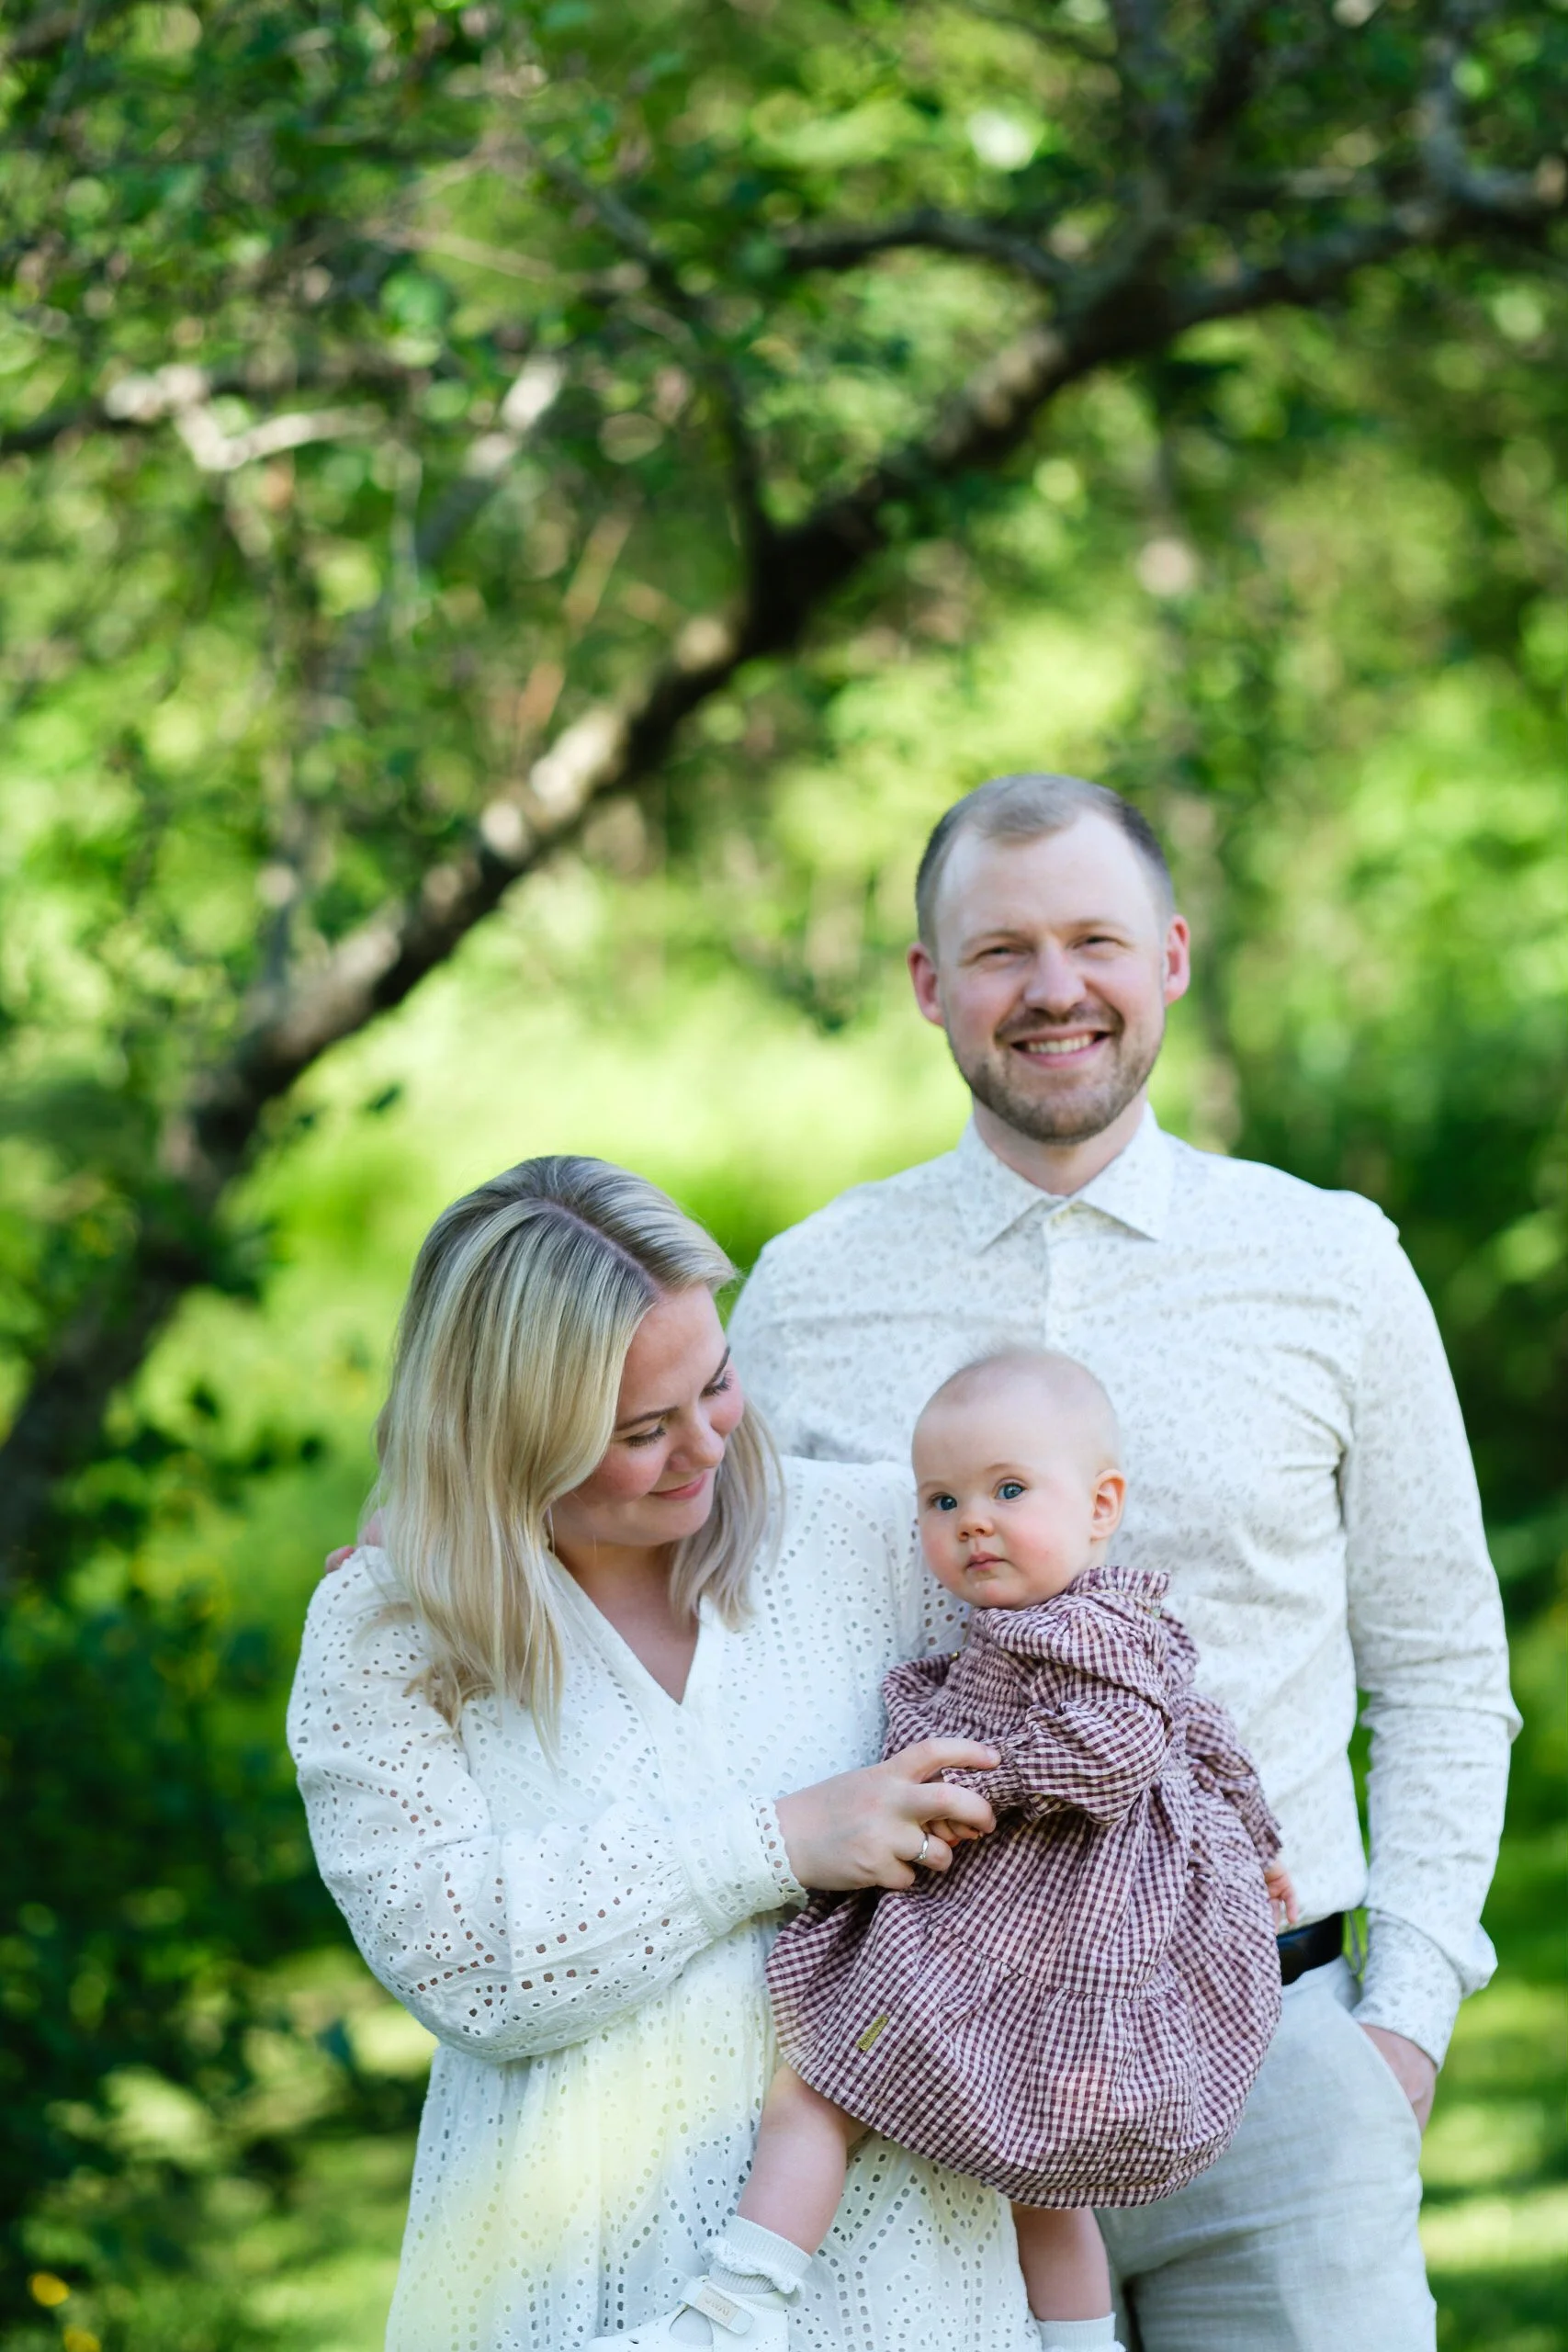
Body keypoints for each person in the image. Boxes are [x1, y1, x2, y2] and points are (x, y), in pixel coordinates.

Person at [726, 772, 1519, 2352]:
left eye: (1092, 940)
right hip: (929, 2083)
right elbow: (683, 1595)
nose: (1053, 989)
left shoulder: (1330, 1262)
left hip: (1280, 2070)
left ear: (1167, 957)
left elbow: (1439, 1667)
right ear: (927, 983)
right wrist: (461, 1532)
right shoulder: (808, 1290)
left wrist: (1403, 2028)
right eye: (1000, 950)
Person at [290, 1155, 1043, 2352]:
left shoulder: (881, 1539)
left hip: (905, 2285)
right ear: (508, 1440)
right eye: (643, 1430)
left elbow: (1087, 1702)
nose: (705, 1443)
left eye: (717, 1382)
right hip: (574, 2293)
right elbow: (460, 1960)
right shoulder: (390, 1628)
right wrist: (779, 1841)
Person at [611, 1348, 1293, 2352]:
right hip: (1038, 1941)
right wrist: (1260, 1838)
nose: (972, 1521)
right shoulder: (1103, 1627)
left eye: (1008, 1490)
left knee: (822, 2080)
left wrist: (984, 1782)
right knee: (1037, 2175)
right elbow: (1207, 1734)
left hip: (1026, 1933)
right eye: (941, 1500)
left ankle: (736, 2310)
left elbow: (1117, 1754)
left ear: (1101, 1506)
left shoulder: (1078, 1634)